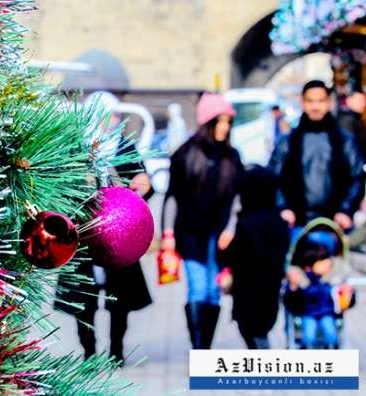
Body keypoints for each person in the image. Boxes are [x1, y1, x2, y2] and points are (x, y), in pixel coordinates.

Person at [55, 91, 153, 364]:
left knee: (118, 299)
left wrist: (138, 190)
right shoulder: (76, 148)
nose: (115, 120)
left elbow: (143, 182)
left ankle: (116, 351)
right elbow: (61, 189)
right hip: (83, 236)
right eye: (110, 115)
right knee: (83, 300)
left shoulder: (123, 147)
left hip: (117, 236)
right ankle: (89, 353)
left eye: (116, 114)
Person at [161, 92, 244, 349]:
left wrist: (231, 227)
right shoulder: (186, 155)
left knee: (214, 290)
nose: (225, 127)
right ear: (206, 122)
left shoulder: (232, 157)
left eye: (228, 122)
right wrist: (167, 235)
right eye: (219, 121)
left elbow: (238, 197)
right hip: (191, 232)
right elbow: (172, 196)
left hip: (220, 235)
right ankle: (199, 346)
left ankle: (205, 343)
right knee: (198, 287)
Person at [268, 80, 365, 233]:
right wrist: (283, 207)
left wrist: (346, 210)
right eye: (310, 101)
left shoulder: (345, 141)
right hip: (295, 224)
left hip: (336, 224)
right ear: (303, 103)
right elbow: (273, 178)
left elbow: (357, 176)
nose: (315, 107)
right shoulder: (287, 142)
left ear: (328, 102)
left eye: (320, 101)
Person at [217, 166, 291, 349]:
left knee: (251, 333)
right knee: (261, 330)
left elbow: (232, 256)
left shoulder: (246, 224)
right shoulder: (279, 223)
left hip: (247, 293)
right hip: (271, 291)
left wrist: (223, 249)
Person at [284, 240, 356, 349]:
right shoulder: (301, 279)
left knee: (330, 334)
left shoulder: (335, 277)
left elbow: (346, 300)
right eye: (324, 260)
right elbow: (291, 302)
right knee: (309, 335)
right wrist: (293, 289)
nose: (329, 263)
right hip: (308, 313)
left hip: (327, 313)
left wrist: (348, 295)